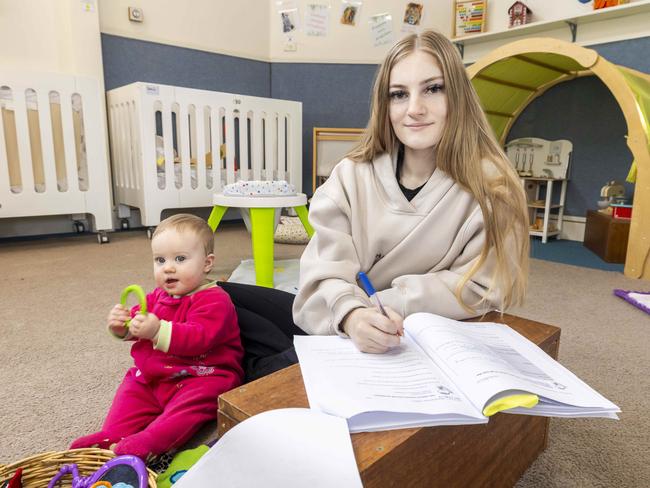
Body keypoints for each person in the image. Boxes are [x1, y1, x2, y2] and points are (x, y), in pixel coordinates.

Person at [223, 29, 528, 379]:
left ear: (458, 96)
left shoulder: (494, 188)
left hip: (404, 340)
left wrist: (384, 306)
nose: (414, 109)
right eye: (399, 94)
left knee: (276, 372)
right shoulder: (351, 173)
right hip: (344, 316)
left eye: (433, 88)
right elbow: (324, 272)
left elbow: (480, 288)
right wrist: (351, 314)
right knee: (217, 300)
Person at [71, 214, 244, 459]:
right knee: (131, 388)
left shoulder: (215, 300)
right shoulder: (156, 296)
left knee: (188, 410)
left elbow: (200, 337)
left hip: (201, 375)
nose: (168, 267)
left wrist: (157, 330)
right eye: (160, 260)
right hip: (154, 376)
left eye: (180, 259)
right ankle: (113, 435)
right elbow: (137, 322)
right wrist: (122, 327)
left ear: (207, 263)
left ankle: (147, 444)